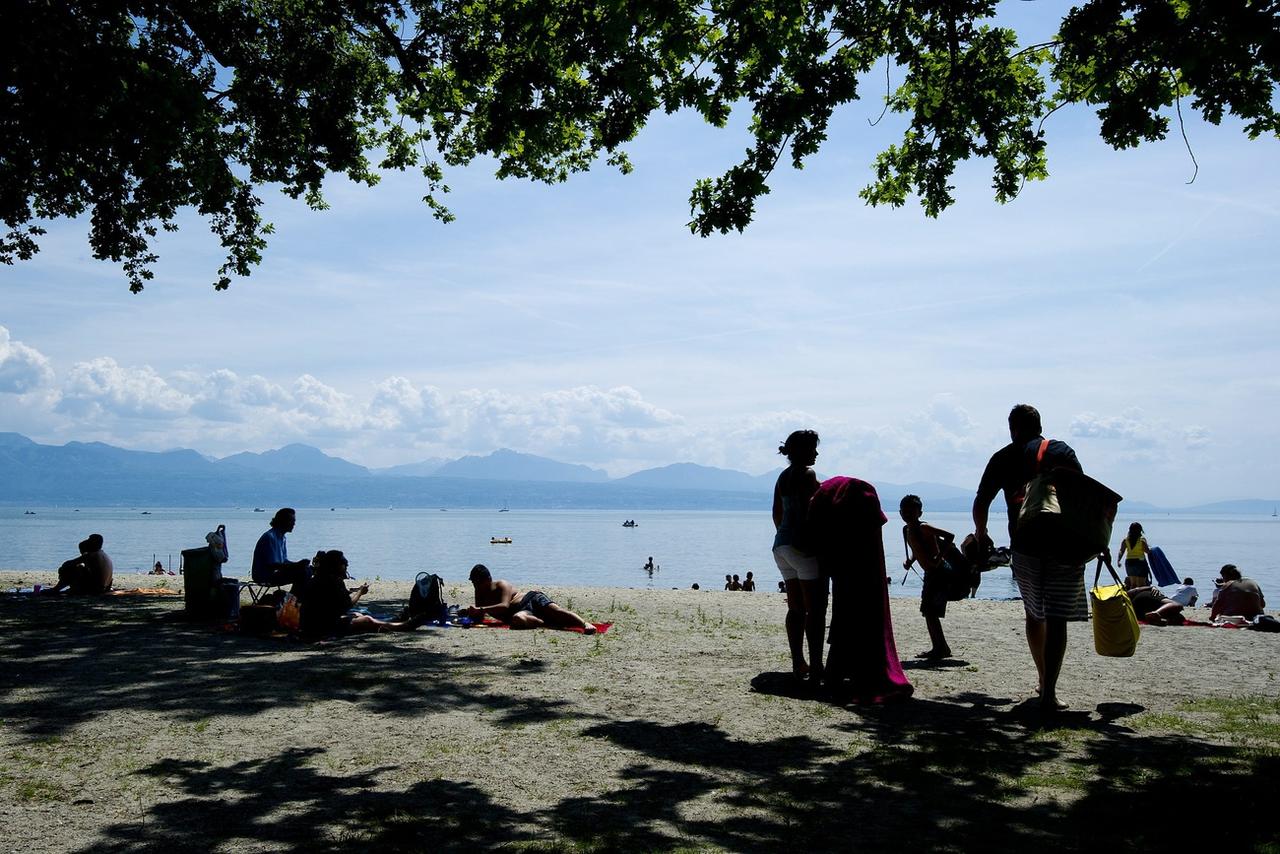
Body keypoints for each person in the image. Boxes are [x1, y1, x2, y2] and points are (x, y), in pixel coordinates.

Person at [973, 404, 1088, 713]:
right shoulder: (1062, 451)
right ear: (1039, 425)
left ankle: (1041, 679)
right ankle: (1049, 691)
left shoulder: (1003, 457)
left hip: (1024, 545)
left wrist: (982, 534)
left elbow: (981, 501)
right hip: (1064, 544)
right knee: (1057, 619)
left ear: (1013, 428)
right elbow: (1083, 496)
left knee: (1034, 615)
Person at [806, 476, 913, 702]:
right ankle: (856, 668)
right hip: (862, 565)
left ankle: (839, 668)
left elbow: (818, 530)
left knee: (844, 609)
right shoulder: (860, 498)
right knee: (863, 610)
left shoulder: (828, 497)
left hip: (840, 563)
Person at [772, 429, 824, 681]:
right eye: (813, 448)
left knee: (795, 609)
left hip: (781, 546)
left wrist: (787, 536)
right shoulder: (808, 474)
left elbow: (777, 513)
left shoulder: (782, 477)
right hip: (802, 548)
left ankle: (797, 662)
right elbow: (811, 511)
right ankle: (816, 666)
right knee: (814, 610)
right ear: (802, 450)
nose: (816, 453)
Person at [298, 550, 422, 638]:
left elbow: (333, 604)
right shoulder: (334, 581)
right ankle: (403, 626)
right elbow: (346, 605)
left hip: (310, 623)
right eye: (344, 565)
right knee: (366, 619)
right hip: (320, 627)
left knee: (357, 614)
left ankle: (393, 621)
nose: (346, 568)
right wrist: (360, 593)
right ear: (336, 566)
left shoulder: (319, 578)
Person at [465, 564, 596, 633]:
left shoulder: (501, 584)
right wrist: (470, 613)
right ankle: (546, 622)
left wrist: (480, 609)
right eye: (474, 583)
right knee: (518, 619)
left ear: (488, 579)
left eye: (478, 582)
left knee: (556, 611)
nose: (476, 586)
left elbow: (504, 606)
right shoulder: (479, 592)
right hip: (518, 613)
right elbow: (479, 618)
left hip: (530, 599)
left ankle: (584, 624)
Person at [899, 495, 953, 660]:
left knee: (930, 611)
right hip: (930, 573)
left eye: (911, 511)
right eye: (904, 511)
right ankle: (940, 646)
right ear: (900, 512)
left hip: (939, 571)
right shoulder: (908, 530)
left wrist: (938, 558)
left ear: (920, 513)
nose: (907, 514)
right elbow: (918, 548)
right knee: (928, 611)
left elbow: (950, 536)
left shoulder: (924, 527)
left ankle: (940, 648)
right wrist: (910, 561)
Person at [251, 508, 312, 588]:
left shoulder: (282, 538)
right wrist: (296, 566)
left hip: (275, 573)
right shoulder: (270, 537)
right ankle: (296, 597)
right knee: (303, 572)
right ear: (282, 521)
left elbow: (283, 561)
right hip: (265, 576)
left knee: (308, 570)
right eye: (291, 521)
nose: (294, 524)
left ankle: (296, 596)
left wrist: (298, 565)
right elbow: (272, 565)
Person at [45, 534, 113, 594]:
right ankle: (67, 588)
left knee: (70, 569)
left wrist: (83, 553)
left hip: (94, 589)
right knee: (79, 567)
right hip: (104, 588)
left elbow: (67, 564)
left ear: (92, 543)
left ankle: (56, 589)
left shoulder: (91, 555)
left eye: (89, 541)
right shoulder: (103, 555)